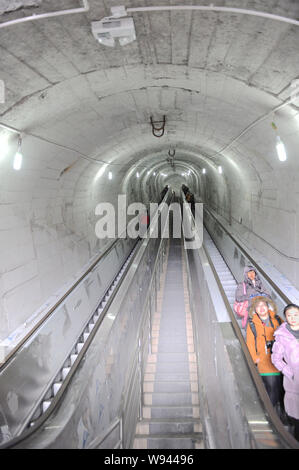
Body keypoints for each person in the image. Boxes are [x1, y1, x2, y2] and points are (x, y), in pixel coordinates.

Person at [246, 296, 284, 409]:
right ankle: (272, 416)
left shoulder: (277, 320)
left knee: (282, 390)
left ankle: (283, 417)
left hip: (280, 359)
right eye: (258, 306)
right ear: (255, 310)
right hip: (264, 361)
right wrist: (254, 358)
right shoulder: (252, 324)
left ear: (268, 307)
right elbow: (250, 343)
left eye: (263, 305)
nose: (261, 308)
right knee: (271, 389)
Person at [272, 304, 299, 440]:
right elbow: (275, 358)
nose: (293, 318)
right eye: (289, 315)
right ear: (286, 318)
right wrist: (289, 372)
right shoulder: (282, 336)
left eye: (296, 314)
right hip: (294, 381)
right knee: (297, 419)